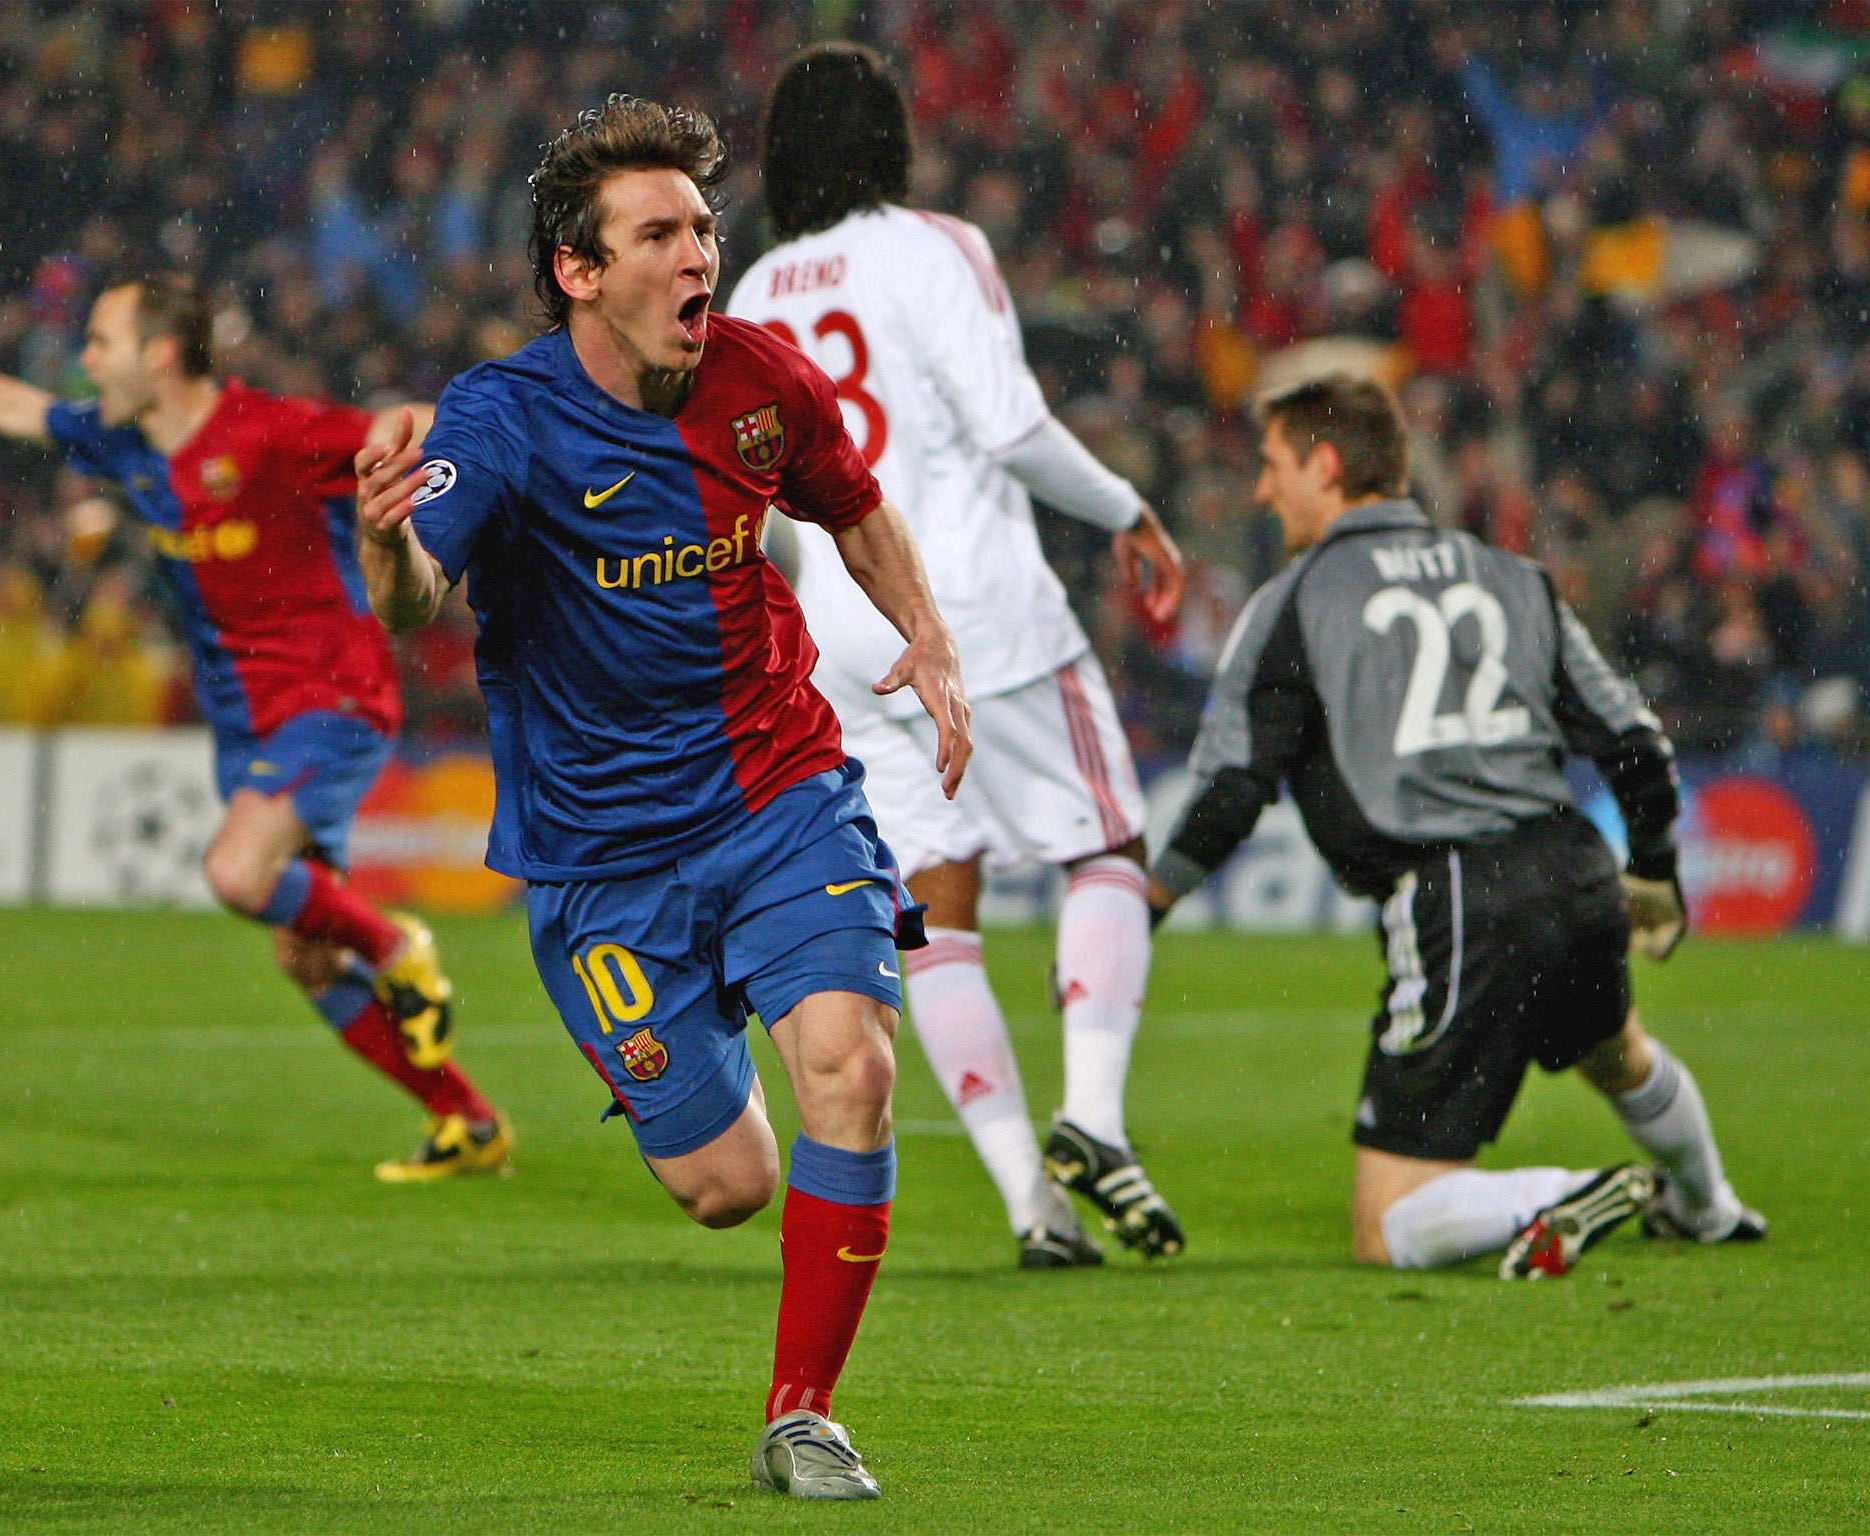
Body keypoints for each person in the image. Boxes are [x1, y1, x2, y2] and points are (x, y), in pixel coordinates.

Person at [356, 95, 970, 1501]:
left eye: (702, 226)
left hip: (779, 792)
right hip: (601, 861)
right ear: (580, 271)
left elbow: (853, 504)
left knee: (854, 1063)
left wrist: (926, 636)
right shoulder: (501, 420)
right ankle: (698, 1072)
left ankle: (805, 1411)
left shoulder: (761, 379)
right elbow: (412, 600)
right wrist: (381, 544)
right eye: (660, 234)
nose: (699, 255)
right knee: (726, 1188)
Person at [0, 281, 511, 1183]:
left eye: (102, 340)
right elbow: (16, 406)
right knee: (305, 954)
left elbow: (407, 421)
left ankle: (396, 946)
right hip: (245, 723)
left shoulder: (269, 433)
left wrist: (508, 416)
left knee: (238, 872)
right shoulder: (127, 442)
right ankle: (467, 1121)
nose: (88, 358)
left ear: (160, 356)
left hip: (331, 698)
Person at [727, 44, 1189, 1268]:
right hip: (977, 606)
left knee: (936, 910)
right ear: (890, 141)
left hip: (843, 633)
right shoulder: (934, 246)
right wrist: (1122, 507)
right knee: (1104, 846)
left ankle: (1028, 1202)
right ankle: (1089, 1115)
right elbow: (1010, 426)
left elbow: (758, 508)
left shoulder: (755, 292)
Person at [1149, 374, 1766, 1278]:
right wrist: (1656, 865)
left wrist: (1147, 899)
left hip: (1456, 895)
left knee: (1387, 1224)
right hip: (1574, 864)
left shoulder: (1296, 599)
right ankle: (1710, 1206)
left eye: (1274, 464)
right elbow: (1634, 739)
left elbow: (1236, 785)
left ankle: (1568, 1191)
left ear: (1326, 465)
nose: (1261, 488)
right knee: (1615, 1051)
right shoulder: (1512, 577)